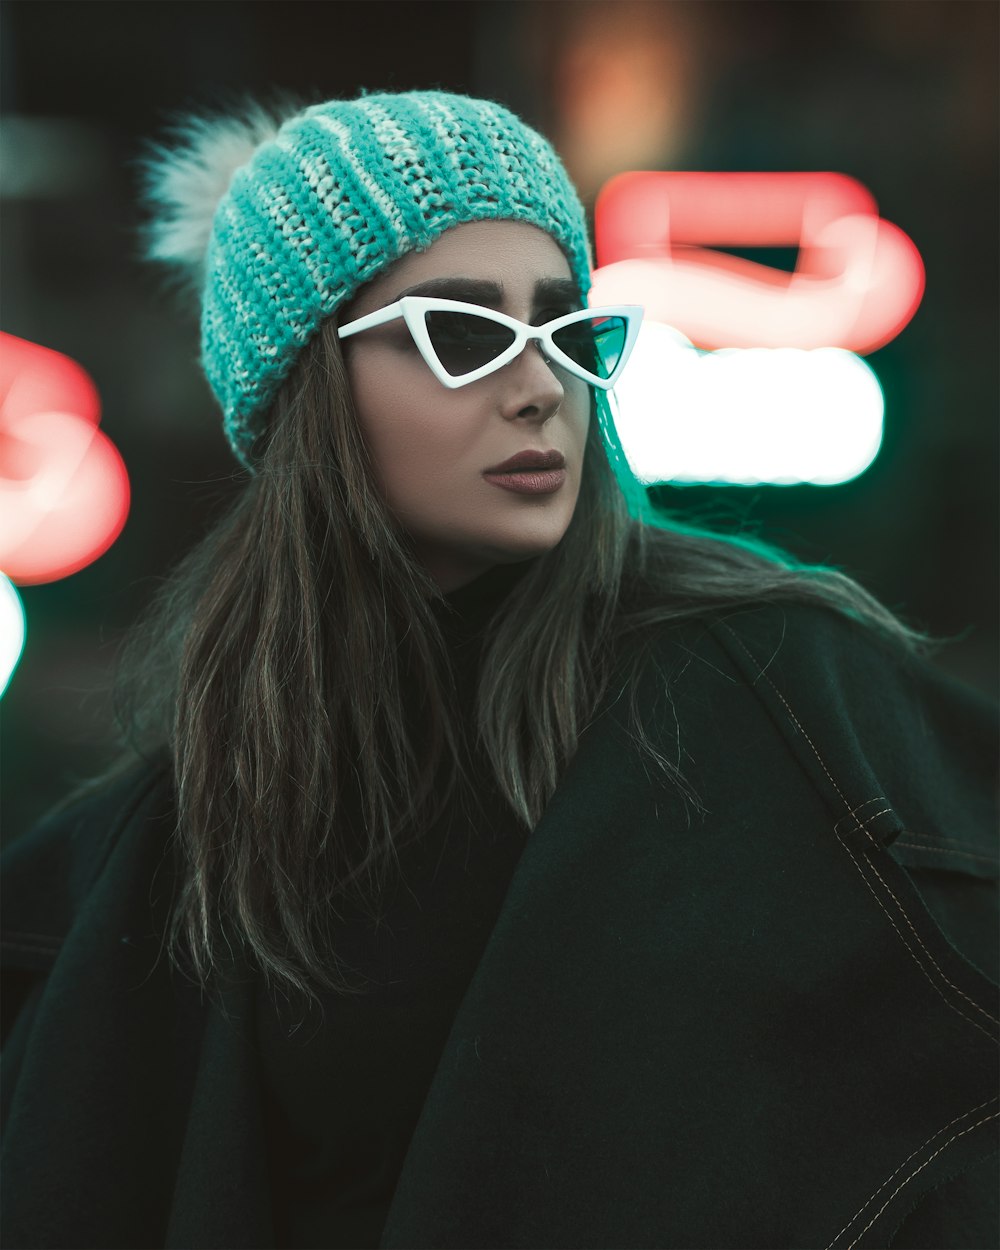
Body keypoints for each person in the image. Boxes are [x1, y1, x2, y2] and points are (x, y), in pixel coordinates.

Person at [1, 88, 996, 1250]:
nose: (539, 385)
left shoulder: (761, 686)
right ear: (301, 387)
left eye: (568, 331)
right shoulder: (179, 819)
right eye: (461, 333)